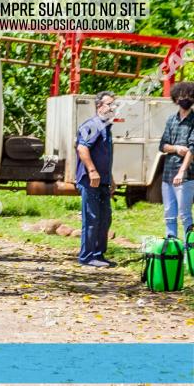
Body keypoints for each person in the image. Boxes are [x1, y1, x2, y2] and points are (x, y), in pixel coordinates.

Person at [75, 91, 117, 267]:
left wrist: (111, 178)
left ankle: (99, 255)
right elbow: (82, 149)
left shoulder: (106, 126)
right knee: (92, 218)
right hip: (90, 180)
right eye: (110, 104)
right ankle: (87, 256)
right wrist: (92, 171)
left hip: (103, 181)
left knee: (105, 218)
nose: (113, 108)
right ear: (99, 106)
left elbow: (104, 156)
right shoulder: (92, 125)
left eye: (114, 105)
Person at [158, 81, 194, 237]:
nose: (184, 99)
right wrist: (177, 148)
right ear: (175, 98)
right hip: (167, 174)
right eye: (181, 96)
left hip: (186, 176)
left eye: (188, 96)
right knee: (169, 215)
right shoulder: (171, 120)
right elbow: (162, 145)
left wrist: (181, 172)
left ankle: (190, 253)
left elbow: (192, 149)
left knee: (185, 215)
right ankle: (172, 252)